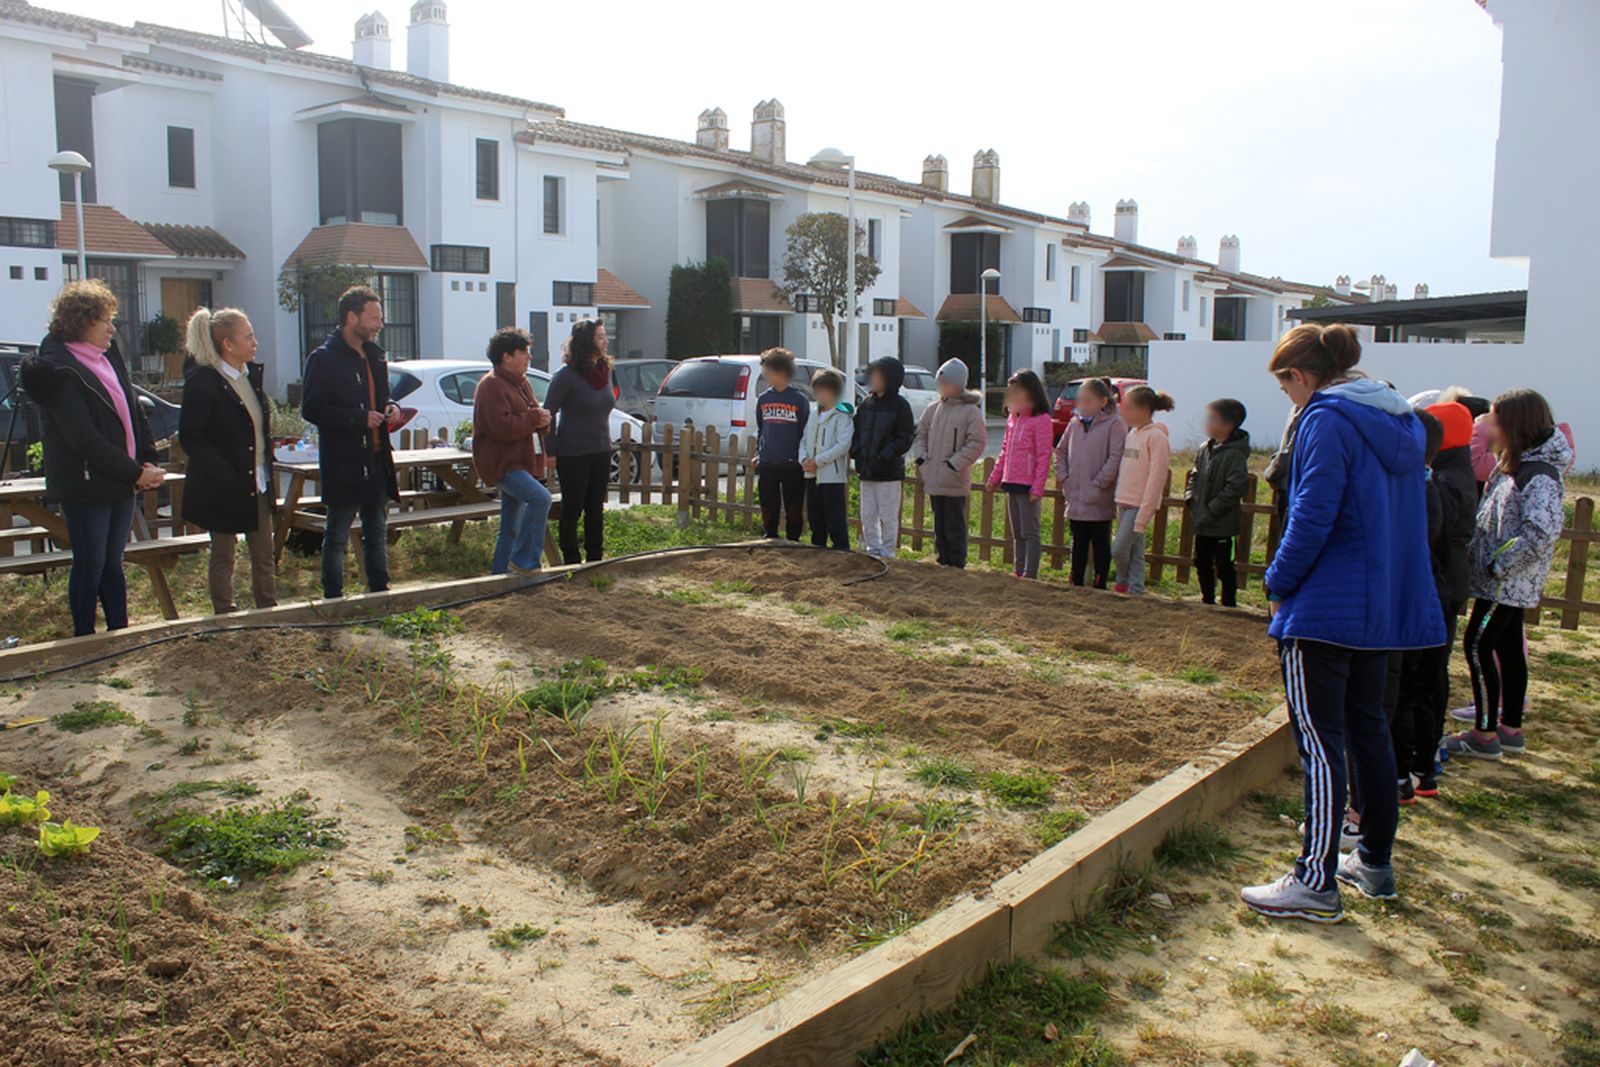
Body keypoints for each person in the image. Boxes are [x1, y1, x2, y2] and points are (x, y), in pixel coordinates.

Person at [1241, 323, 1443, 923]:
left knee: (1320, 740)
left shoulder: (1325, 418)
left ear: (1301, 377)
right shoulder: (1401, 419)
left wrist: (1278, 580)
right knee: (1367, 733)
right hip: (1380, 606)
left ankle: (1314, 881)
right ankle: (1373, 862)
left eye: (1286, 388)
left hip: (1326, 605)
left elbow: (1312, 511)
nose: (1289, 400)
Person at [18, 280, 164, 636]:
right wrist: (133, 473)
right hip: (86, 483)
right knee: (90, 562)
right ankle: (84, 639)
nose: (113, 328)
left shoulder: (106, 356)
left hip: (120, 480)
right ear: (81, 323)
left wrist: (145, 459)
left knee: (112, 561)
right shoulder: (58, 370)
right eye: (106, 320)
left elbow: (133, 411)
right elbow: (83, 438)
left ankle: (119, 633)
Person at [1444, 389, 1570, 760]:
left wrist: (1499, 565)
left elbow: (1540, 533)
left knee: (1477, 646)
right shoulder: (1514, 463)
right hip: (1502, 582)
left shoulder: (1540, 474)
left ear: (1515, 425)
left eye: (1495, 421)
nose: (1489, 428)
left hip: (1505, 584)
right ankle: (1510, 728)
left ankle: (1484, 734)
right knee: (1509, 649)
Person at [1389, 402, 1476, 798]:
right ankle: (1425, 765)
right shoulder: (1458, 474)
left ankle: (1405, 771)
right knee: (1430, 679)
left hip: (1428, 588)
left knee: (1411, 683)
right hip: (1445, 586)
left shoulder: (1434, 483)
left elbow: (1429, 538)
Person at [302, 286, 401, 599]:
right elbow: (312, 409)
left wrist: (391, 405)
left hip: (376, 458)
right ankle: (333, 598)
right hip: (343, 461)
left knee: (377, 531)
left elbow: (382, 394)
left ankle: (379, 593)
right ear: (351, 317)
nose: (379, 325)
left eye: (380, 318)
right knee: (337, 534)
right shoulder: (324, 359)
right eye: (373, 318)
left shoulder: (375, 355)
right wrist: (357, 419)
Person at [179, 307, 277, 615]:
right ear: (227, 344)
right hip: (222, 485)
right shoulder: (205, 381)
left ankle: (268, 610)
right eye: (248, 337)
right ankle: (224, 613)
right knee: (223, 554)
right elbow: (191, 436)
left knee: (264, 552)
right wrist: (223, 472)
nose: (255, 342)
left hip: (256, 480)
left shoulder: (249, 377)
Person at [473, 327, 552, 576]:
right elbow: (501, 427)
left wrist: (542, 420)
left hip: (521, 462)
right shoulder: (492, 386)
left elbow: (533, 416)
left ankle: (500, 577)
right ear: (506, 356)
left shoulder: (521, 383)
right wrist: (533, 419)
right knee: (541, 498)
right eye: (524, 352)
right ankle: (525, 562)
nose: (529, 357)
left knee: (510, 525)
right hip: (504, 464)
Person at [544, 319, 615, 564]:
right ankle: (571, 559)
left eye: (605, 336)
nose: (605, 341)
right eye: (600, 337)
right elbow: (548, 414)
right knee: (573, 508)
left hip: (601, 449)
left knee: (595, 507)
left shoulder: (605, 372)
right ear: (587, 342)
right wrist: (550, 450)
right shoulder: (566, 376)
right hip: (572, 452)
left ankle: (595, 557)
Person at [914, 359, 987, 568]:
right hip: (934, 477)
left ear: (959, 385)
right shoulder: (932, 409)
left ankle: (956, 562)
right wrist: (922, 458)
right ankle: (942, 558)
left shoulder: (970, 411)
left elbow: (977, 442)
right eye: (941, 383)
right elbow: (921, 434)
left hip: (954, 478)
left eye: (946, 383)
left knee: (954, 524)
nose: (942, 387)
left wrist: (954, 464)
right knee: (939, 523)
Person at [1053, 377, 1125, 588]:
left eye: (1088, 400)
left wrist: (1099, 483)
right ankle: (1076, 582)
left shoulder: (1115, 424)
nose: (1082, 405)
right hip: (1075, 494)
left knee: (1101, 543)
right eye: (1080, 401)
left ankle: (1100, 584)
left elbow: (1114, 457)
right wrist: (1063, 476)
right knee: (1078, 543)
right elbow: (1060, 450)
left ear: (1103, 401)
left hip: (1099, 496)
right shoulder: (1075, 423)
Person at [986, 370, 1052, 579]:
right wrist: (995, 476)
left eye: (1017, 390)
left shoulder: (1040, 420)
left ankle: (1030, 573)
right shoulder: (1013, 419)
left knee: (1030, 532)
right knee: (1017, 533)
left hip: (1028, 484)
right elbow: (1005, 450)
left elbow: (1043, 456)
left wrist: (1038, 487)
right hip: (1011, 481)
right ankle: (1018, 570)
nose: (1013, 394)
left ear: (1031, 392)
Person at [1187, 399, 1251, 607]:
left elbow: (1236, 487)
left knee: (1224, 566)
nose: (1207, 422)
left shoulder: (1235, 455)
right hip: (1203, 520)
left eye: (1213, 419)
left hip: (1223, 525)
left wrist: (1213, 508)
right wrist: (1191, 496)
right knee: (1201, 562)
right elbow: (1194, 474)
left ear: (1228, 425)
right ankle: (1207, 599)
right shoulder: (1205, 448)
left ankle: (1229, 603)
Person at [1111, 386, 1174, 595]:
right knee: (1135, 551)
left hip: (1139, 504)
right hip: (1125, 501)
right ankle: (1135, 589)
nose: (1123, 411)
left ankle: (1123, 581)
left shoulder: (1156, 437)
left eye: (1128, 407)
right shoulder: (1132, 434)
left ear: (1145, 409)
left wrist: (1145, 513)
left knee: (1119, 549)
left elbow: (1157, 477)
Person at [850, 356, 915, 559]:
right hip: (866, 470)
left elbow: (905, 438)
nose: (872, 378)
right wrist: (856, 453)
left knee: (887, 516)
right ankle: (873, 550)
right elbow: (857, 431)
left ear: (890, 378)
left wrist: (884, 456)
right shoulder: (867, 404)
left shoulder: (901, 406)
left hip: (888, 473)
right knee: (867, 515)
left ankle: (887, 553)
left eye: (877, 375)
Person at [754, 348, 809, 541]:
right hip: (767, 462)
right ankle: (771, 534)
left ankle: (793, 538)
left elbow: (804, 432)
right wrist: (758, 453)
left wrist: (802, 457)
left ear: (781, 372)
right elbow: (761, 429)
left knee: (793, 505)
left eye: (767, 371)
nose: (764, 375)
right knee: (768, 504)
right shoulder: (763, 399)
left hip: (792, 464)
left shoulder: (799, 400)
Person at [799, 368, 853, 550]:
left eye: (824, 390)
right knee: (815, 517)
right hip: (811, 475)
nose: (820, 394)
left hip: (832, 476)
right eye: (817, 390)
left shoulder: (841, 414)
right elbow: (804, 439)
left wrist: (819, 461)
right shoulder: (813, 414)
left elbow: (842, 445)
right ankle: (818, 549)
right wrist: (804, 459)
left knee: (835, 518)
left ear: (834, 391)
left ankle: (841, 550)